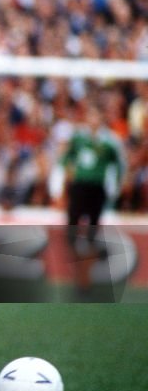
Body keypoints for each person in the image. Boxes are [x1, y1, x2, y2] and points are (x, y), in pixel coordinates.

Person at [58, 102, 126, 297]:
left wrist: (116, 188)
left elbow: (119, 166)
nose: (93, 121)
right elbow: (66, 159)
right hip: (80, 187)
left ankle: (84, 278)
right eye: (90, 117)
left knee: (91, 234)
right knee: (71, 230)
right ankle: (80, 273)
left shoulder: (110, 142)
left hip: (97, 189)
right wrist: (64, 181)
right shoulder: (79, 138)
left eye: (96, 117)